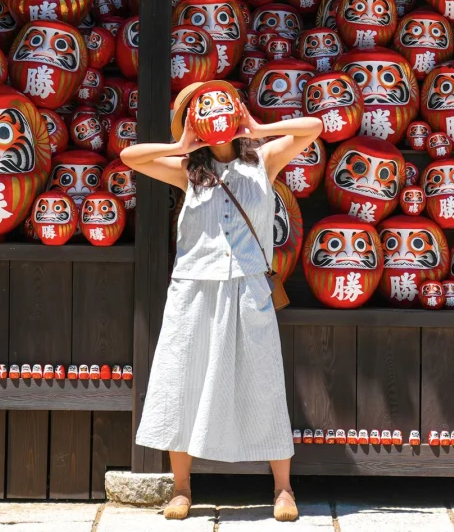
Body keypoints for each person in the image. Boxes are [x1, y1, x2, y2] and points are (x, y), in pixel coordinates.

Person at [120, 81, 322, 522]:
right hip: (193, 287)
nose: (213, 113)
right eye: (202, 109)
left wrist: (257, 125)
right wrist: (181, 142)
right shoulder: (185, 171)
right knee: (182, 381)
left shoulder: (263, 162)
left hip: (247, 286)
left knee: (264, 383)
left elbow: (314, 127)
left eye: (219, 106)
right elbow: (128, 158)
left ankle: (284, 489)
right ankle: (181, 487)